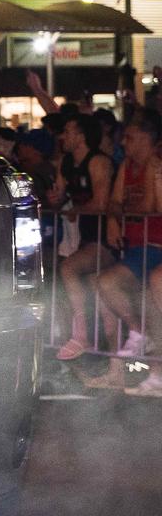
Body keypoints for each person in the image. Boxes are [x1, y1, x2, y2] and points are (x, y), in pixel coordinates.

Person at [94, 110, 162, 358]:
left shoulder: (156, 165)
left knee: (147, 294)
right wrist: (113, 218)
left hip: (156, 246)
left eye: (130, 137)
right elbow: (114, 201)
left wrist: (121, 211)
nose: (123, 142)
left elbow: (149, 207)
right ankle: (137, 332)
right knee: (104, 283)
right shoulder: (126, 166)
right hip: (137, 248)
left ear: (146, 138)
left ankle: (154, 367)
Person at [52, 113, 115, 360]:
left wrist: (75, 209)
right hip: (84, 239)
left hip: (104, 239)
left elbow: (100, 203)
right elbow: (59, 196)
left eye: (67, 131)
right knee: (104, 304)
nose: (62, 136)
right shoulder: (65, 162)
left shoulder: (98, 162)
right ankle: (113, 366)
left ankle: (81, 336)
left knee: (68, 269)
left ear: (81, 136)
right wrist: (55, 200)